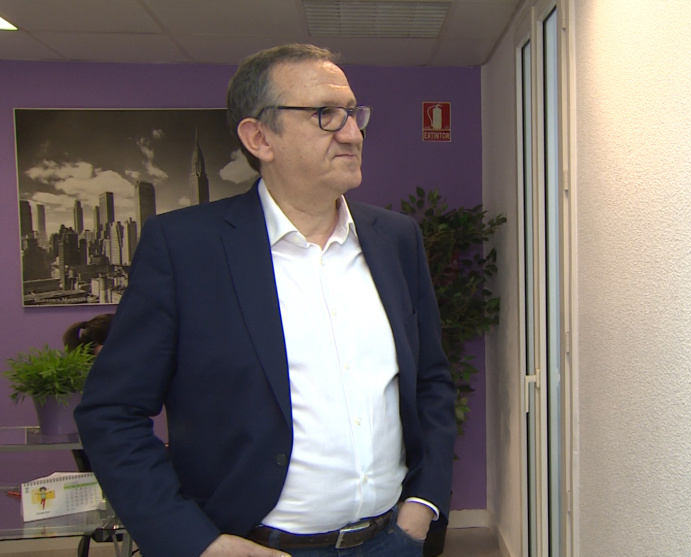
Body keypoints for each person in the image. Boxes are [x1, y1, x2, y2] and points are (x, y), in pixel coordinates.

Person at [75, 44, 456, 557]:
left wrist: (424, 503)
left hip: (392, 539)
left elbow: (430, 379)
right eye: (326, 114)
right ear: (260, 138)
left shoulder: (396, 239)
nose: (351, 132)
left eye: (352, 113)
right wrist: (198, 544)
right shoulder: (186, 248)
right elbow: (111, 413)